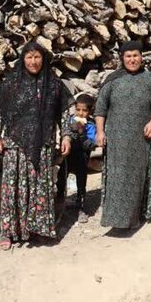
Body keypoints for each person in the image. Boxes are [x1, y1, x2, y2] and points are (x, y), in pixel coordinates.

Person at [0, 41, 72, 250]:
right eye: (29, 57)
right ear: (23, 59)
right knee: (13, 189)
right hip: (15, 143)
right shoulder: (12, 83)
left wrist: (66, 136)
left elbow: (63, 113)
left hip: (43, 143)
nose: (33, 61)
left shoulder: (53, 84)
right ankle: (9, 232)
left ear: (43, 59)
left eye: (37, 57)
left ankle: (38, 230)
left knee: (40, 189)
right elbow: (0, 111)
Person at [94, 41, 151, 230]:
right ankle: (115, 219)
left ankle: (135, 218)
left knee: (137, 177)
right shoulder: (112, 80)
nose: (132, 59)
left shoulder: (150, 80)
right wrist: (100, 132)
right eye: (128, 56)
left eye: (135, 55)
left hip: (141, 138)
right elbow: (100, 108)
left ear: (141, 57)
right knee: (117, 178)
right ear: (122, 58)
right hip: (116, 139)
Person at [56, 93, 96, 223]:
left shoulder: (91, 125)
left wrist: (81, 133)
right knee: (61, 179)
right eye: (78, 109)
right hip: (67, 158)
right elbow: (64, 134)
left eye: (85, 110)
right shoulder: (70, 120)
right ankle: (59, 203)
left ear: (90, 111)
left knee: (81, 183)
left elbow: (90, 145)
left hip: (82, 159)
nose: (81, 113)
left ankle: (81, 207)